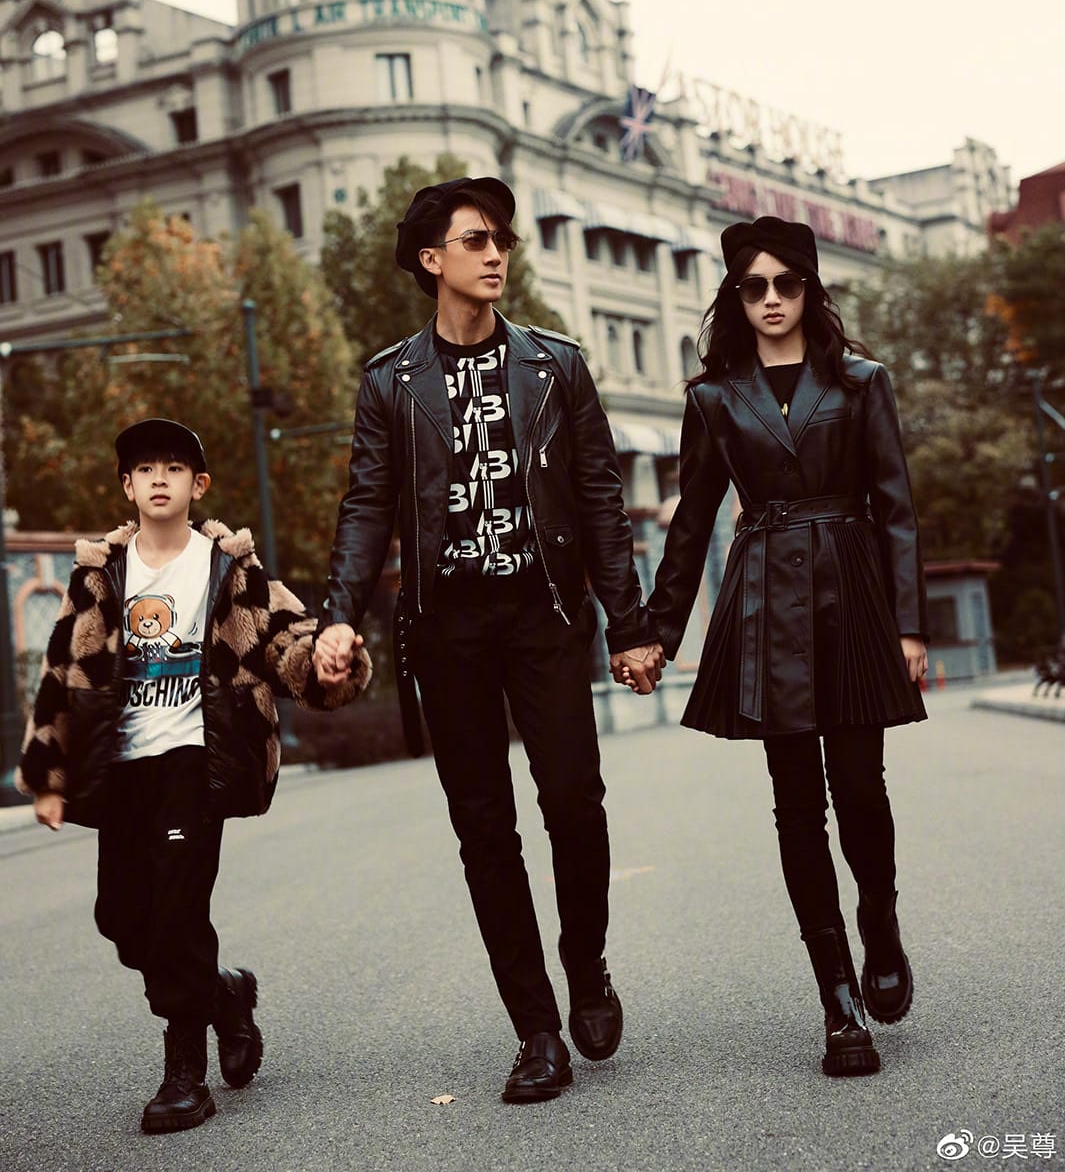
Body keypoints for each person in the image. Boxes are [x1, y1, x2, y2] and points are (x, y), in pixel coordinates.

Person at [314, 175, 663, 1103]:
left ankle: (585, 967)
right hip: (448, 630)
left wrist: (627, 625)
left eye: (500, 239)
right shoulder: (390, 381)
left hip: (543, 616)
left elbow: (599, 500)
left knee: (574, 804)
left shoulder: (556, 365)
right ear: (432, 260)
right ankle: (536, 1029)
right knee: (484, 831)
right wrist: (339, 612)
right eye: (475, 240)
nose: (495, 252)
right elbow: (366, 506)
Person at [17, 419, 370, 1135]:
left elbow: (283, 638)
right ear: (127, 486)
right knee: (121, 918)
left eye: (173, 468)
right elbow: (62, 671)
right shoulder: (100, 575)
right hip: (123, 769)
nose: (158, 478)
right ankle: (223, 994)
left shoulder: (228, 569)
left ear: (197, 485)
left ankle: (185, 1074)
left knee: (177, 913)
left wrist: (328, 664)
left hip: (193, 761)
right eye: (144, 469)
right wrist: (48, 775)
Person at [644, 216, 927, 1078]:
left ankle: (878, 920)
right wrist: (655, 632)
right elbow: (691, 522)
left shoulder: (860, 381)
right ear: (735, 297)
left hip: (853, 594)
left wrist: (909, 625)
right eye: (753, 287)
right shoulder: (713, 398)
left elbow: (896, 507)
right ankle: (837, 1001)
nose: (770, 299)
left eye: (785, 283)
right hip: (766, 600)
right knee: (796, 806)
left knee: (861, 789)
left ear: (808, 289)